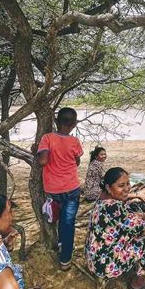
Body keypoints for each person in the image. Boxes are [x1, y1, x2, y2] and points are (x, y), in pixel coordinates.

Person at [85, 167, 145, 289]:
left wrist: (138, 199)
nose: (127, 188)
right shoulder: (115, 207)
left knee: (136, 228)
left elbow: (122, 221)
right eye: (121, 185)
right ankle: (137, 282)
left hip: (93, 259)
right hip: (104, 266)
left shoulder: (102, 199)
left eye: (128, 183)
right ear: (108, 187)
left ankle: (135, 263)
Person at [38, 107, 83, 270]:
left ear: (56, 122)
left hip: (53, 190)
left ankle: (58, 243)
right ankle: (65, 260)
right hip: (72, 189)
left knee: (56, 220)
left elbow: (43, 161)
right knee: (68, 223)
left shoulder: (47, 138)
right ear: (75, 124)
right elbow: (77, 162)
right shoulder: (75, 141)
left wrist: (35, 152)